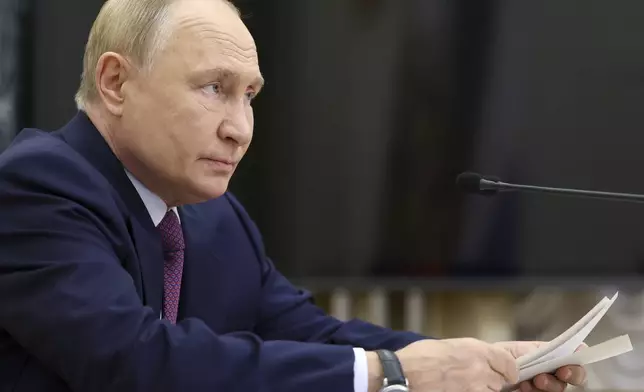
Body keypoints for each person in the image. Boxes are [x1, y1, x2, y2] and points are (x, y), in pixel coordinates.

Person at [0, 0, 586, 391]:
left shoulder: (215, 217)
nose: (240, 128)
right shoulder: (36, 186)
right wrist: (394, 372)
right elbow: (134, 359)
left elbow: (307, 332)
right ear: (115, 82)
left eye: (249, 96)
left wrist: (479, 362)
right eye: (214, 89)